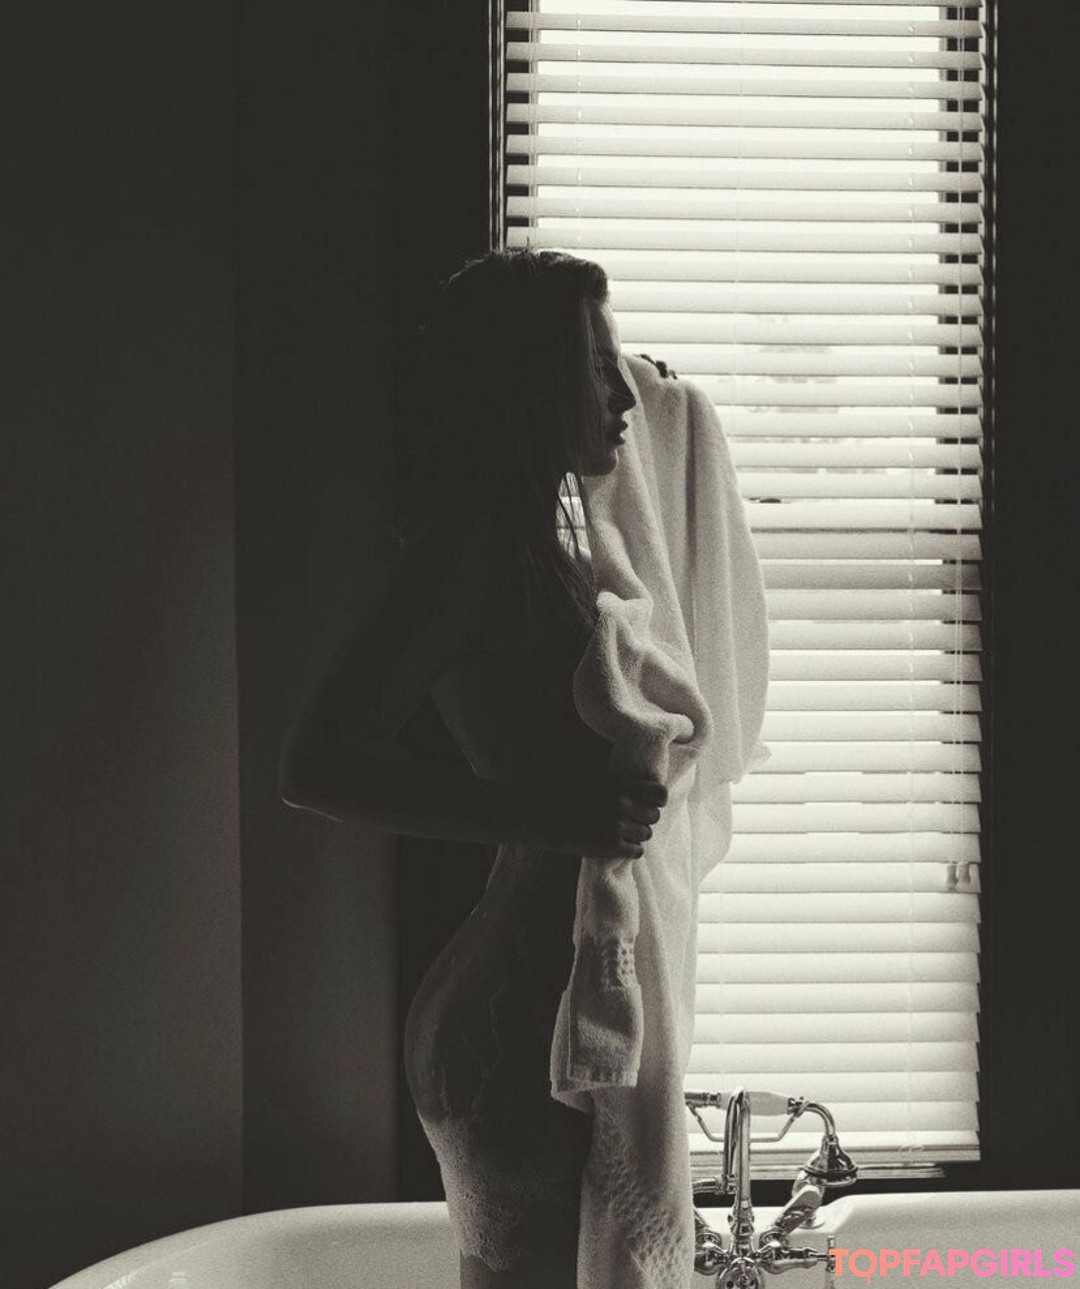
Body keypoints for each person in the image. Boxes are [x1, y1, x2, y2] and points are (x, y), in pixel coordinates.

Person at [279, 248, 674, 1289]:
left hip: (550, 992)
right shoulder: (472, 550)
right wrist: (550, 814)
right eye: (596, 366)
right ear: (528, 383)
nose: (627, 394)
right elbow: (316, 762)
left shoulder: (556, 551)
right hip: (508, 1024)